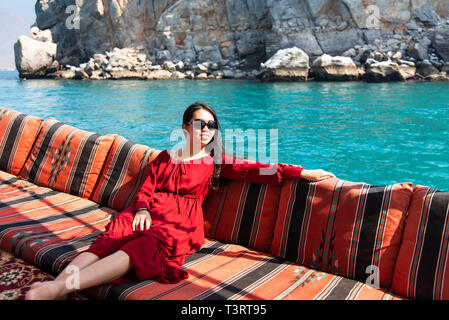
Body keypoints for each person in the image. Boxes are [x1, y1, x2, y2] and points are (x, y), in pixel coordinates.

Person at [25, 102, 335, 300]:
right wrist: (143, 208)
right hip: (146, 212)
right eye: (201, 124)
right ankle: (60, 285)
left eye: (212, 126)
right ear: (186, 127)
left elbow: (258, 169)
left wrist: (303, 172)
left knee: (140, 246)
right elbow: (146, 188)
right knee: (109, 240)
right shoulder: (165, 157)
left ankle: (57, 288)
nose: (207, 130)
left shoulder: (215, 160)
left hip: (179, 224)